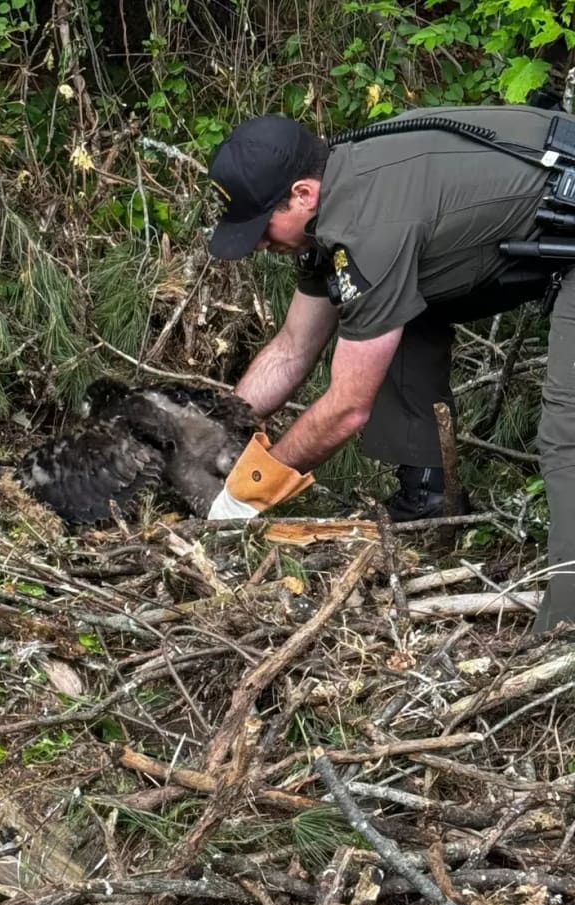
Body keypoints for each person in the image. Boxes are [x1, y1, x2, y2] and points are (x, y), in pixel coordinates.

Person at [205, 105, 575, 634]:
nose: (258, 243)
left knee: (568, 431)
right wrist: (220, 436)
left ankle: (566, 629)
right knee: (385, 316)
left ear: (303, 194)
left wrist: (246, 495)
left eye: (260, 225)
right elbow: (292, 346)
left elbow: (346, 408)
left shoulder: (368, 228)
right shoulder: (340, 200)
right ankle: (430, 505)